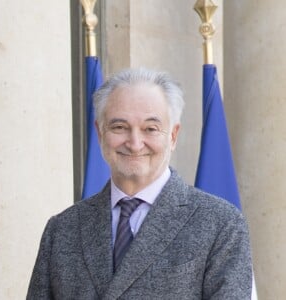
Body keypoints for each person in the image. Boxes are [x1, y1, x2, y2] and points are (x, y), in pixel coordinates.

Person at [27, 68, 252, 299]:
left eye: (150, 129)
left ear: (173, 136)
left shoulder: (221, 224)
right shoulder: (62, 229)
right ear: (100, 133)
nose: (134, 143)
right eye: (119, 127)